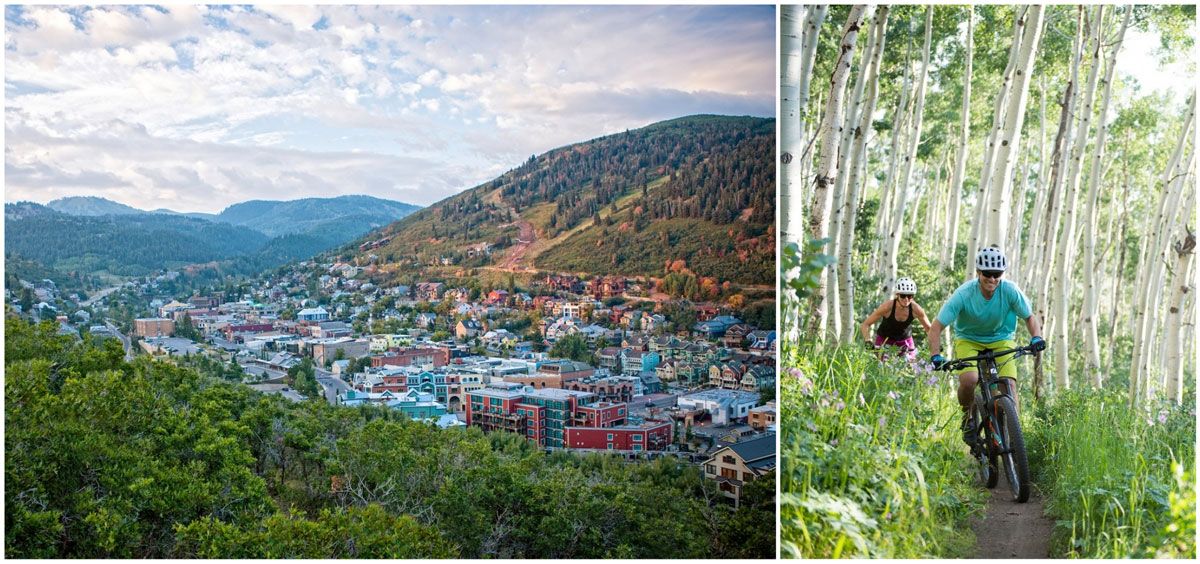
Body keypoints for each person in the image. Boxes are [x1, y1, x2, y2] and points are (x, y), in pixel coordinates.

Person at [928, 246, 1046, 445]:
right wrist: (935, 356)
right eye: (987, 274)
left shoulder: (1009, 291)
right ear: (978, 273)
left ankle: (1016, 443)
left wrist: (1036, 337)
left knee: (1008, 386)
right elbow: (936, 327)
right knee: (969, 380)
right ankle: (968, 419)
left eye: (997, 274)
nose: (992, 279)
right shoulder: (964, 294)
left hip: (1002, 339)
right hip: (969, 339)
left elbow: (1029, 317)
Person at [858, 277, 932, 360]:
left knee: (911, 368)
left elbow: (929, 329)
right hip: (884, 341)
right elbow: (865, 324)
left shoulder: (916, 309)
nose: (906, 299)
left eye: (910, 296)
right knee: (882, 369)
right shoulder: (887, 307)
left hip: (905, 341)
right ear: (897, 295)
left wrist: (935, 344)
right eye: (903, 296)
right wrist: (868, 341)